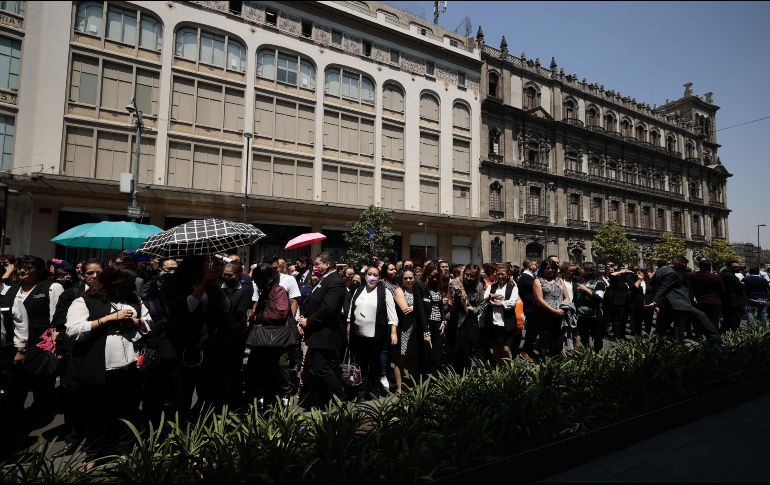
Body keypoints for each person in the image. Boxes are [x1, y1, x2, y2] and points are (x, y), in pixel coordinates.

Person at [63, 264, 151, 457]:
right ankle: (95, 453)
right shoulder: (84, 301)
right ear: (113, 283)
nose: (130, 288)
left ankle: (123, 450)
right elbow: (74, 330)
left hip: (129, 366)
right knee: (98, 412)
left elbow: (149, 322)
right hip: (99, 367)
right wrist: (108, 319)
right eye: (126, 283)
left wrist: (138, 323)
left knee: (127, 410)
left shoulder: (133, 300)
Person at [164, 255, 232, 420]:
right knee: (183, 390)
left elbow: (226, 307)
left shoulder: (210, 283)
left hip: (207, 343)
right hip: (183, 344)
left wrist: (216, 287)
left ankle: (199, 423)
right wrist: (202, 285)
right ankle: (179, 424)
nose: (208, 267)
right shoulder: (175, 283)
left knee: (207, 390)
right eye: (204, 265)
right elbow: (188, 306)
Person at [7, 255, 65, 429]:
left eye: (28, 267)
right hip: (15, 346)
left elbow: (57, 319)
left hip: (41, 347)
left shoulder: (51, 287)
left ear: (39, 270)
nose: (23, 270)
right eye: (20, 267)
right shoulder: (12, 289)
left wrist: (57, 347)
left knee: (42, 387)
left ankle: (40, 418)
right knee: (16, 387)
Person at [297, 252, 347, 406]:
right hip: (317, 332)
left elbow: (328, 308)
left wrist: (309, 321)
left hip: (325, 333)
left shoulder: (335, 281)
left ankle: (341, 399)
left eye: (318, 264)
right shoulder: (323, 280)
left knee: (321, 367)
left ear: (327, 264)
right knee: (319, 366)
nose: (315, 266)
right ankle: (322, 397)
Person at [346, 266, 398, 399]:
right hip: (358, 335)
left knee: (374, 363)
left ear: (379, 278)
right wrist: (348, 330)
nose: (372, 277)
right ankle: (361, 390)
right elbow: (351, 312)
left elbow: (392, 314)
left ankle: (373, 388)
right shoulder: (358, 290)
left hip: (376, 336)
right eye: (370, 274)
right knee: (361, 364)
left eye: (375, 275)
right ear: (365, 276)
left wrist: (393, 332)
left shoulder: (384, 292)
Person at [649, 256, 722, 347]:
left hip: (668, 304)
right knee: (697, 318)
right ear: (678, 263)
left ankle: (658, 346)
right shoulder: (672, 273)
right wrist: (656, 301)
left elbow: (653, 284)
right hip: (678, 303)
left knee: (665, 327)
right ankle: (715, 339)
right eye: (684, 263)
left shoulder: (661, 271)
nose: (685, 265)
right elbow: (665, 287)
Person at [245, 263, 290, 407]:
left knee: (271, 374)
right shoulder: (265, 291)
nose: (256, 282)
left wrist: (259, 317)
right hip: (261, 341)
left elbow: (281, 313)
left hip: (272, 341)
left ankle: (272, 405)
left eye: (258, 278)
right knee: (256, 374)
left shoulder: (278, 291)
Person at [393, 269, 425, 392]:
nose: (408, 280)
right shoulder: (399, 290)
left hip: (416, 330)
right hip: (404, 329)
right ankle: (399, 389)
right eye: (405, 278)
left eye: (410, 278)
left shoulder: (418, 290)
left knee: (413, 360)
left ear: (414, 278)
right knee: (401, 360)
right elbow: (405, 310)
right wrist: (416, 307)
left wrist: (414, 307)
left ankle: (414, 386)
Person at [482, 264, 519, 365]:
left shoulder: (513, 288)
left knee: (506, 348)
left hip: (507, 323)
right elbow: (485, 298)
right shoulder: (491, 286)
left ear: (508, 275)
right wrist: (492, 296)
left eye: (503, 274)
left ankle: (509, 369)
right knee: (496, 347)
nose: (500, 276)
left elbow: (512, 302)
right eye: (498, 274)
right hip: (493, 322)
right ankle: (499, 367)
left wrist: (500, 303)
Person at [532, 259, 570, 359]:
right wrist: (553, 310)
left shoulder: (559, 280)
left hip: (560, 314)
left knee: (558, 340)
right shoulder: (538, 281)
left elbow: (566, 296)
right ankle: (545, 364)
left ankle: (556, 363)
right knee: (544, 341)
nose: (550, 270)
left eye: (553, 268)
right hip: (545, 315)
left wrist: (564, 307)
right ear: (543, 269)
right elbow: (539, 300)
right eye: (547, 268)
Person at [421, 262, 450, 374]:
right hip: (427, 324)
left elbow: (441, 306)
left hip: (438, 324)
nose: (434, 279)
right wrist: (425, 330)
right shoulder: (422, 287)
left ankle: (435, 381)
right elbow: (422, 310)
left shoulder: (438, 287)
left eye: (436, 276)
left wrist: (443, 321)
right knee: (426, 355)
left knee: (437, 355)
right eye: (431, 276)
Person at [573, 263, 606, 351]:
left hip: (595, 316)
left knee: (597, 337)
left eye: (582, 269)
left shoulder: (599, 283)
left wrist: (586, 289)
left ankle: (597, 356)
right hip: (582, 315)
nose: (580, 271)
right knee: (584, 337)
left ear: (588, 271)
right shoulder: (582, 281)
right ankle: (586, 355)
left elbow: (599, 298)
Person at [688, 260, 725, 336]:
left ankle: (700, 335)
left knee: (700, 320)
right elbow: (722, 289)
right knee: (714, 320)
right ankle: (713, 337)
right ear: (710, 267)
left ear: (699, 267)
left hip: (699, 301)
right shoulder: (715, 277)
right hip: (714, 301)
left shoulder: (693, 275)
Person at [720, 260, 745, 333]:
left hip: (729, 300)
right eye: (735, 267)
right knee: (734, 320)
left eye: (738, 266)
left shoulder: (726, 274)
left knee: (727, 321)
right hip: (733, 302)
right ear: (729, 267)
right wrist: (743, 285)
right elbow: (740, 286)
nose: (737, 268)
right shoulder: (730, 276)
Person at [629, 267, 655, 337]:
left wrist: (654, 303)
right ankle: (638, 338)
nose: (637, 274)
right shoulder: (633, 282)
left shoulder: (649, 282)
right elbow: (633, 289)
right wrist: (639, 280)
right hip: (638, 306)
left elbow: (653, 293)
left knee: (648, 323)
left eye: (639, 273)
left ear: (643, 274)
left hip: (648, 306)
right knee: (638, 324)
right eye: (636, 273)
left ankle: (648, 338)